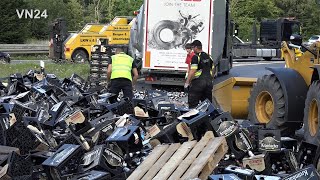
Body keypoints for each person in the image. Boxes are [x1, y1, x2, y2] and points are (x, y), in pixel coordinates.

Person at [184, 40, 215, 108]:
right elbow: (213, 69)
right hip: (208, 83)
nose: (192, 49)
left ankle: (194, 117)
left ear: (196, 47)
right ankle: (208, 117)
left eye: (192, 47)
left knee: (193, 104)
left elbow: (193, 71)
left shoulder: (196, 57)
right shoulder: (208, 56)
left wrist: (187, 82)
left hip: (198, 84)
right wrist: (211, 79)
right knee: (207, 105)